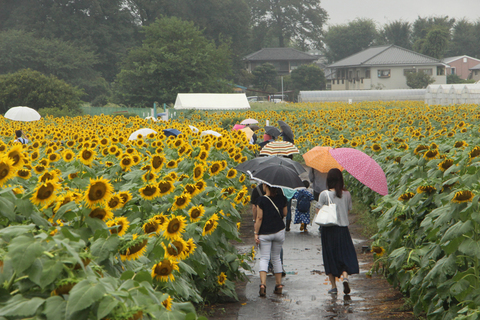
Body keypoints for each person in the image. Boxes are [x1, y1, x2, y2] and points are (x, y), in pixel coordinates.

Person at [316, 168, 359, 295]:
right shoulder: (347, 194)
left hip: (329, 230)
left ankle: (334, 286)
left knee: (330, 257)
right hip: (343, 230)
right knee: (344, 255)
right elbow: (348, 211)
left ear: (328, 180)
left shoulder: (324, 194)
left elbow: (318, 211)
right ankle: (345, 277)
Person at [254, 184, 287, 297]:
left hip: (265, 232)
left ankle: (263, 285)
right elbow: (285, 213)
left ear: (265, 186)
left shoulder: (261, 200)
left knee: (264, 258)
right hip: (279, 231)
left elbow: (259, 218)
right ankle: (278, 285)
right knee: (276, 258)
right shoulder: (282, 198)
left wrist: (256, 233)